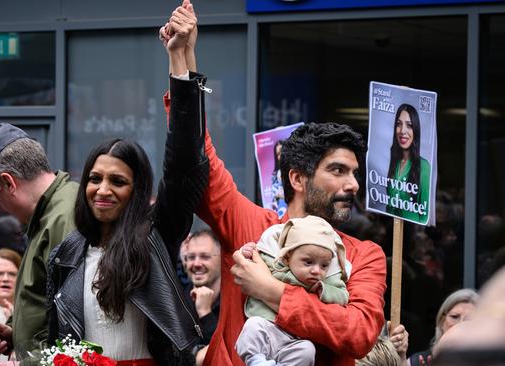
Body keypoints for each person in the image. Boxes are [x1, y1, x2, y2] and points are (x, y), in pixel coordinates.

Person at [161, 12, 387, 363]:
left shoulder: (363, 255)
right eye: (338, 171)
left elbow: (357, 332)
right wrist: (182, 60)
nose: (353, 184)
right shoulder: (251, 226)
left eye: (355, 173)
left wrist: (272, 291)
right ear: (297, 178)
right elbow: (198, 155)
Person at [45, 5, 208, 364]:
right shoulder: (66, 255)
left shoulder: (154, 235)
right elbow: (56, 340)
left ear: (136, 190)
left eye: (118, 181)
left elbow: (183, 162)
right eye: (94, 178)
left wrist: (180, 60)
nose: (103, 189)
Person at [0, 122, 79, 361]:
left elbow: (75, 327)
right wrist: (15, 334)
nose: (2, 208)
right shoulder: (51, 215)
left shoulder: (63, 218)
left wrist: (27, 362)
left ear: (9, 183)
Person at [236, 215, 351, 366]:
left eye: (324, 266)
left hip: (294, 339)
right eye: (308, 262)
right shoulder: (275, 266)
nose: (316, 270)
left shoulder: (325, 282)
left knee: (307, 350)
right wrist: (247, 252)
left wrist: (324, 290)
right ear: (287, 258)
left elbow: (343, 295)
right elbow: (251, 265)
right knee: (253, 326)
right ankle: (255, 360)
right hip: (268, 327)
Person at [385, 103, 431, 224]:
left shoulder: (424, 166)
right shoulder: (393, 161)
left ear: (415, 130)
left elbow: (424, 215)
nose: (402, 131)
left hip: (412, 233)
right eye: (399, 124)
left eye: (409, 125)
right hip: (391, 231)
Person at [407, 288, 478, 365]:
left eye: (469, 319)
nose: (460, 324)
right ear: (441, 321)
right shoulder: (415, 362)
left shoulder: (489, 362)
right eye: (454, 317)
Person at [183, 229, 222, 365]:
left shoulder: (234, 301)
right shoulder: (178, 302)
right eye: (191, 257)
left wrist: (205, 314)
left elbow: (226, 354)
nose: (197, 264)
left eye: (205, 256)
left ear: (222, 259)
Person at [271, 140, 287, 217]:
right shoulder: (275, 175)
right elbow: (274, 198)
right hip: (280, 212)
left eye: (282, 151)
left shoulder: (295, 171)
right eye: (278, 154)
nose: (280, 155)